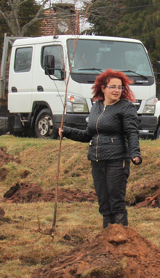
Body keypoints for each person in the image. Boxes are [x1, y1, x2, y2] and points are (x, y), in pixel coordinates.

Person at [61, 69, 142, 228]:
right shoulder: (96, 107)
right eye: (113, 87)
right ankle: (106, 239)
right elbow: (89, 135)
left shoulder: (125, 107)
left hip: (117, 161)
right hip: (97, 160)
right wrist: (66, 131)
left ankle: (121, 237)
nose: (117, 90)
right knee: (104, 202)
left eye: (120, 87)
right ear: (103, 88)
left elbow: (132, 132)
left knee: (116, 202)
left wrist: (135, 154)